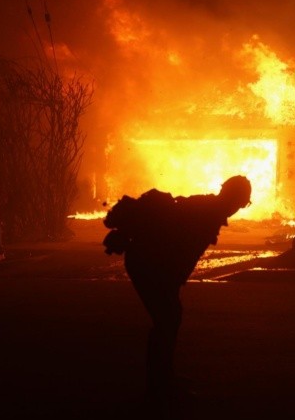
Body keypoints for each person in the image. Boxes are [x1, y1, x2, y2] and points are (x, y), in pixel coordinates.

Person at [103, 175, 252, 416]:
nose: (239, 208)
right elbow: (169, 235)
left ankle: (163, 378)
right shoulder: (203, 210)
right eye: (242, 202)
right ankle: (158, 387)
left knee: (169, 319)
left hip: (155, 266)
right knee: (167, 321)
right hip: (148, 264)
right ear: (232, 197)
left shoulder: (209, 210)